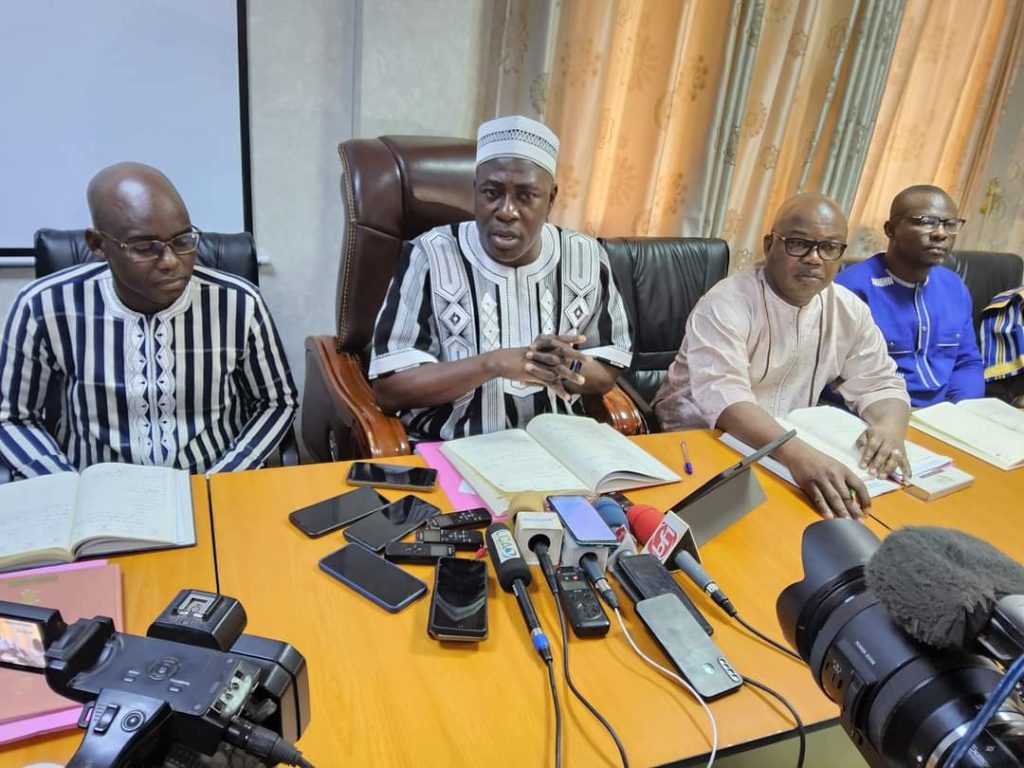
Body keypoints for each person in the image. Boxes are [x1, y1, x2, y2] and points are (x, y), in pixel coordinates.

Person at [0, 162, 297, 478]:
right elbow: (12, 417)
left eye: (183, 241)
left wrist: (226, 475)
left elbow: (276, 402)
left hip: (210, 479)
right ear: (98, 245)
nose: (170, 262)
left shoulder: (239, 303)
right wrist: (64, 484)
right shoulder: (44, 305)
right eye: (145, 247)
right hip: (94, 487)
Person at [369, 115, 632, 442]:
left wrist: (568, 366)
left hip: (555, 448)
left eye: (525, 196)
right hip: (450, 448)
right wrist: (493, 364)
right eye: (492, 193)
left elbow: (608, 369)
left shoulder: (586, 256)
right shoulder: (429, 255)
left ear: (551, 199)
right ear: (475, 191)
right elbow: (389, 389)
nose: (506, 211)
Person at [652, 193, 911, 520]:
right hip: (700, 442)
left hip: (785, 451)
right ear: (769, 245)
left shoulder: (848, 309)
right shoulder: (726, 303)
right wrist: (797, 455)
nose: (814, 259)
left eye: (829, 247)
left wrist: (890, 429)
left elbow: (880, 382)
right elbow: (727, 400)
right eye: (799, 244)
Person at [834, 185, 983, 406]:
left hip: (945, 413)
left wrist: (961, 409)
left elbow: (967, 363)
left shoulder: (954, 287)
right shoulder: (849, 289)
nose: (941, 233)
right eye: (926, 222)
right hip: (880, 411)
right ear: (891, 229)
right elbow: (833, 377)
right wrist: (892, 413)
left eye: (950, 224)